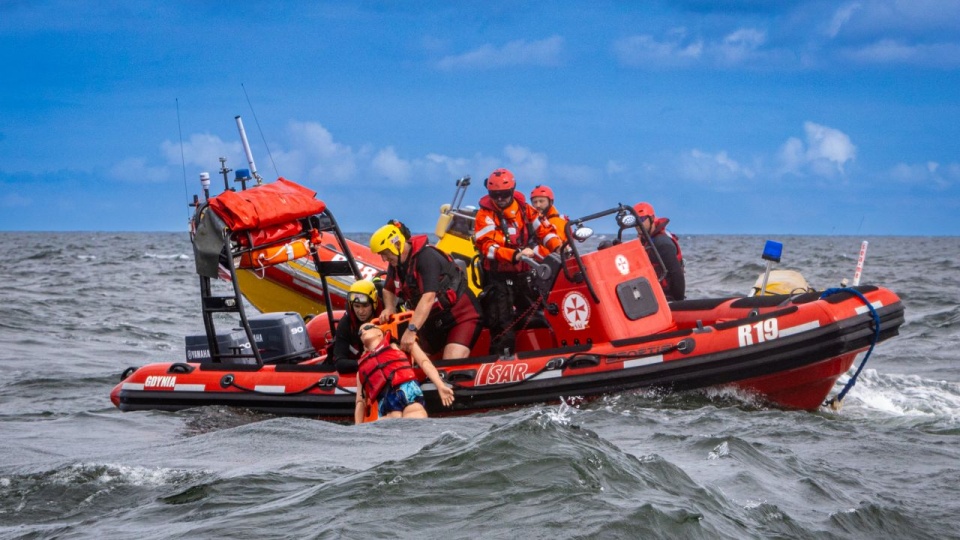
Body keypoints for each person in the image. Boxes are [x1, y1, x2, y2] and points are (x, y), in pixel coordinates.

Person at [475, 168, 563, 356]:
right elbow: (487, 246)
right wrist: (515, 254)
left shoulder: (525, 209)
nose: (499, 199)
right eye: (495, 195)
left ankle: (547, 353)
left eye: (504, 195)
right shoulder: (485, 215)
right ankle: (503, 362)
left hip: (524, 276)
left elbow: (545, 231)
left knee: (539, 314)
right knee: (503, 324)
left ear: (512, 191)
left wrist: (559, 247)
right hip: (499, 278)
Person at [369, 223, 481, 359]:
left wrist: (411, 331)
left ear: (397, 245)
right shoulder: (396, 264)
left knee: (451, 361)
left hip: (460, 316)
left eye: (385, 254)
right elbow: (388, 289)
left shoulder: (426, 258)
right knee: (411, 361)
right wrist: (389, 308)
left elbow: (428, 298)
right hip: (432, 324)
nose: (384, 259)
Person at [354, 323, 454, 424]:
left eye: (367, 328)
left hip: (410, 398)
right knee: (392, 419)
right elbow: (360, 402)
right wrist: (357, 428)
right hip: (389, 410)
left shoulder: (402, 345)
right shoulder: (362, 370)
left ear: (380, 333)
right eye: (360, 332)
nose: (362, 331)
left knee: (416, 415)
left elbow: (425, 363)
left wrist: (440, 385)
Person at [633, 202, 686, 301]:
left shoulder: (663, 243)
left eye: (641, 219)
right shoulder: (645, 241)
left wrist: (678, 301)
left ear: (652, 218)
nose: (638, 224)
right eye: (635, 221)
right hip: (651, 294)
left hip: (667, 297)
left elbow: (677, 274)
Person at [330, 279, 382, 369]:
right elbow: (339, 362)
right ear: (351, 305)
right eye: (356, 306)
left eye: (365, 306)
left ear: (374, 304)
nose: (361, 311)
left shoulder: (385, 319)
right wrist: (366, 364)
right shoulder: (346, 324)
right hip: (360, 367)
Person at [529, 184, 568, 258]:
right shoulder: (539, 221)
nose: (538, 205)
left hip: (555, 262)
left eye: (541, 201)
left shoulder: (556, 221)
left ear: (550, 202)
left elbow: (558, 249)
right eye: (535, 202)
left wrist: (532, 248)